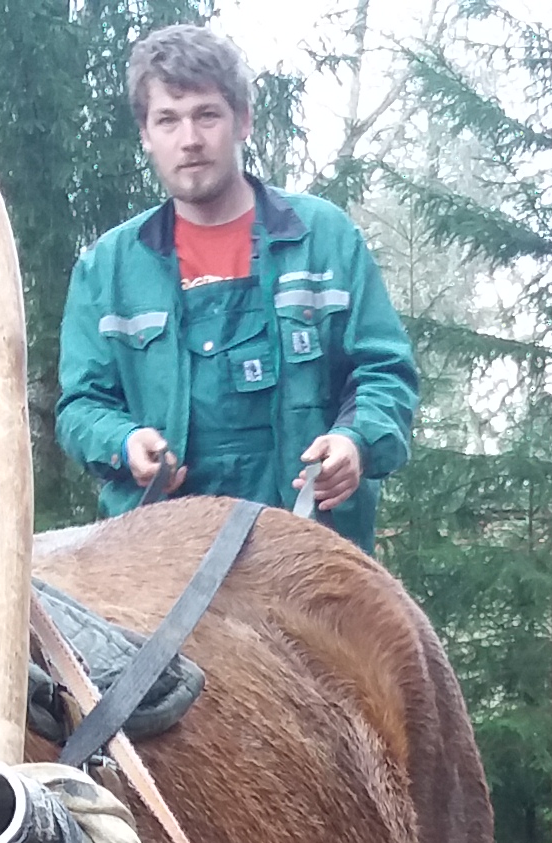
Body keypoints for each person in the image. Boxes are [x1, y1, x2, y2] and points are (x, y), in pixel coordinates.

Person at [55, 26, 418, 550]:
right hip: (159, 564)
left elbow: (384, 371)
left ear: (242, 120)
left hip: (311, 555)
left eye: (207, 114)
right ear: (146, 134)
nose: (190, 139)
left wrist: (355, 442)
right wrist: (124, 442)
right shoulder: (108, 268)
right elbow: (81, 404)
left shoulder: (324, 240)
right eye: (168, 120)